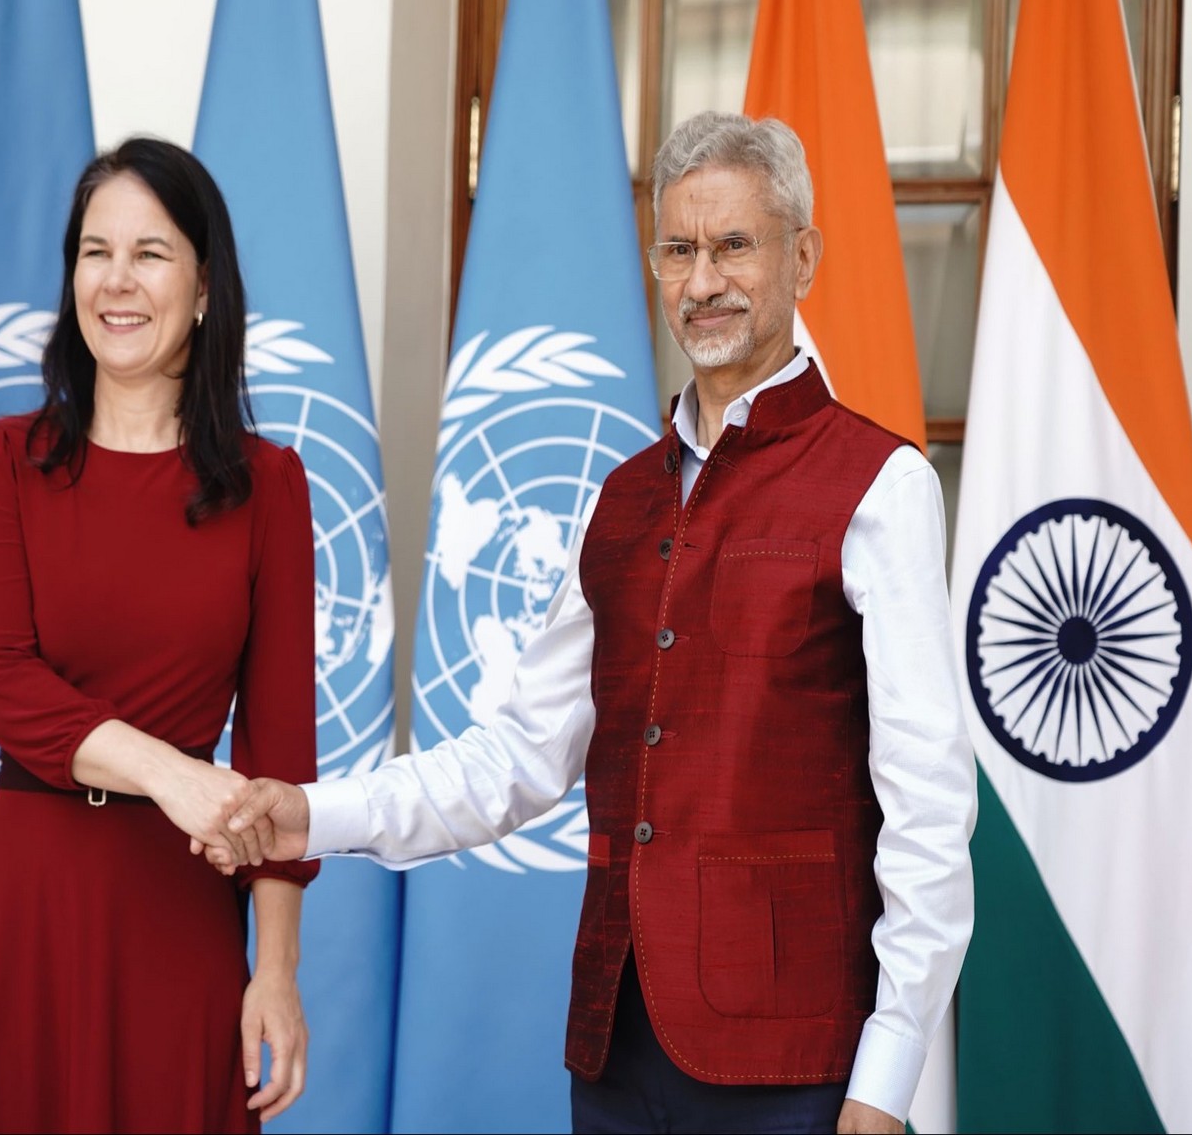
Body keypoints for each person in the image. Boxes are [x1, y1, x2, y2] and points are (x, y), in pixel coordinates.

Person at [219, 111, 976, 1135]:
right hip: (615, 1052)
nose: (701, 281)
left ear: (801, 258)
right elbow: (516, 760)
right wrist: (309, 813)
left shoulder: (879, 483)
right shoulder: (619, 501)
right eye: (677, 250)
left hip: (799, 1065)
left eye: (733, 247)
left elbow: (926, 806)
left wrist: (886, 1078)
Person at [0, 137, 317, 1134]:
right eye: (94, 252)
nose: (116, 280)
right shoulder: (4, 458)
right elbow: (3, 678)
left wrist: (274, 971)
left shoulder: (269, 488)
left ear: (202, 287)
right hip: (30, 903)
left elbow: (279, 752)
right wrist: (174, 775)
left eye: (150, 253)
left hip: (178, 914)